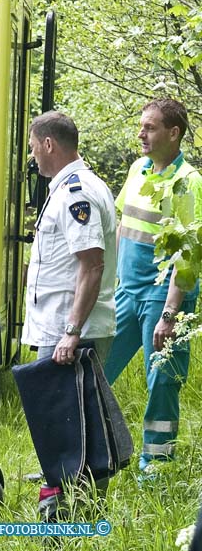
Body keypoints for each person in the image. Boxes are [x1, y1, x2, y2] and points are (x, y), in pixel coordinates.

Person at [20, 111, 117, 518]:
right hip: (61, 327)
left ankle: (66, 517)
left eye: (32, 148)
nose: (32, 158)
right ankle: (72, 508)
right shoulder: (68, 188)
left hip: (70, 330)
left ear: (48, 144)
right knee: (69, 425)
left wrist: (72, 331)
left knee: (68, 426)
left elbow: (90, 265)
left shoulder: (77, 192)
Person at [104, 98, 202, 475]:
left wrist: (170, 313)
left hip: (164, 299)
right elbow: (121, 229)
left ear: (173, 133)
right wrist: (107, 287)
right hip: (126, 293)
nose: (141, 134)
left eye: (150, 127)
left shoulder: (188, 183)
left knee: (161, 383)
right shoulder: (137, 169)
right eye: (141, 126)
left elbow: (189, 256)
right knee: (93, 373)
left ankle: (156, 471)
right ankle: (90, 456)